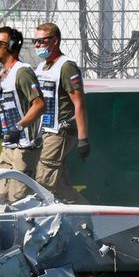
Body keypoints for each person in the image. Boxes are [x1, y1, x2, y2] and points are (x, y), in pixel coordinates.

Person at [32, 22, 90, 204]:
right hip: (45, 132)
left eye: (41, 41)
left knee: (42, 183)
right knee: (59, 187)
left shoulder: (67, 67)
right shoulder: (41, 67)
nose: (36, 45)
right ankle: (89, 216)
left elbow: (79, 103)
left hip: (61, 131)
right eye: (35, 41)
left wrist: (83, 139)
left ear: (54, 41)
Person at [0, 26, 45, 204]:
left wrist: (18, 127)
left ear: (11, 45)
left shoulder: (22, 72)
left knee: (17, 200)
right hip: (8, 146)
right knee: (1, 198)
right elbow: (12, 105)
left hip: (24, 147)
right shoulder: (4, 73)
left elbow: (39, 104)